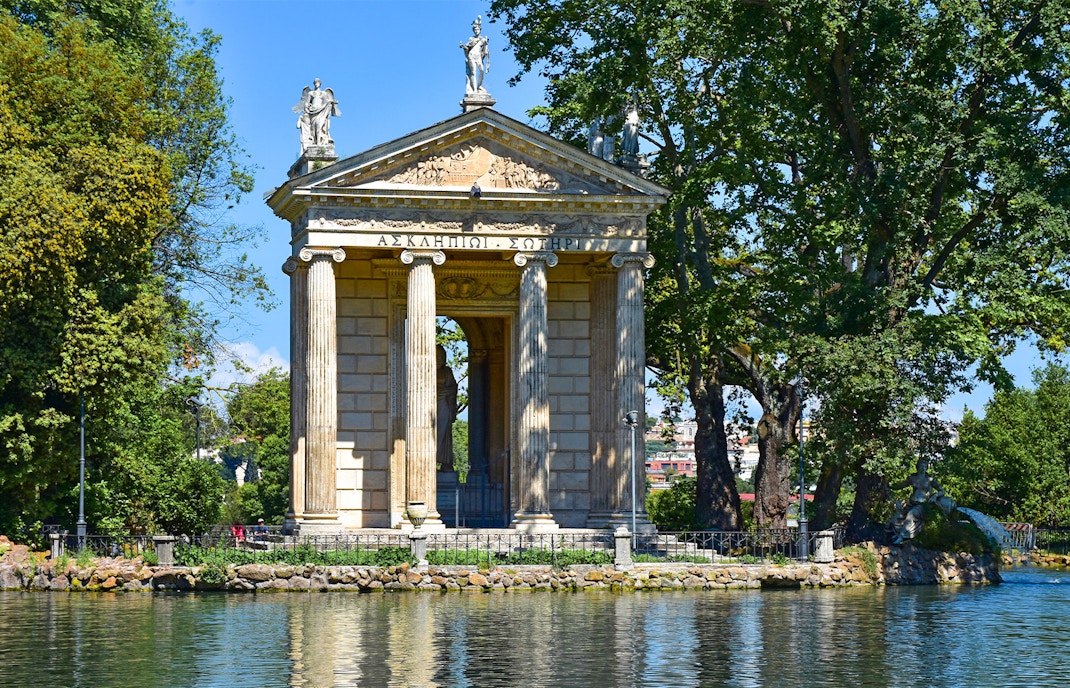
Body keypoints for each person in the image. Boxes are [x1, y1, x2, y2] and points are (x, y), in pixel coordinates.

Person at [293, 78, 341, 151]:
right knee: (313, 128)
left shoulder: (324, 93)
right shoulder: (311, 93)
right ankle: (315, 142)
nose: (316, 83)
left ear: (320, 84)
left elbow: (326, 102)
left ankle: (319, 143)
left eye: (317, 82)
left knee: (319, 125)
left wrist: (332, 102)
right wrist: (306, 108)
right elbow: (307, 103)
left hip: (321, 111)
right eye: (315, 82)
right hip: (313, 111)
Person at [436, 345, 459, 471]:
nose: (439, 359)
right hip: (428, 406)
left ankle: (446, 462)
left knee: (443, 433)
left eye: (441, 356)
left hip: (443, 405)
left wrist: (442, 392)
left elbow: (452, 388)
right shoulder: (426, 369)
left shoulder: (447, 371)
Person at [460, 16, 490, 95]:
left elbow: (485, 48)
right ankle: (474, 90)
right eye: (475, 30)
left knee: (482, 70)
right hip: (471, 56)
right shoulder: (471, 39)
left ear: (480, 30)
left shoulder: (482, 39)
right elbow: (467, 47)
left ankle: (479, 86)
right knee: (473, 72)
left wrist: (485, 51)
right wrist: (463, 46)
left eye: (477, 30)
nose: (476, 31)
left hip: (478, 57)